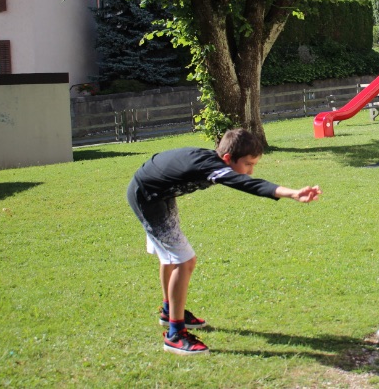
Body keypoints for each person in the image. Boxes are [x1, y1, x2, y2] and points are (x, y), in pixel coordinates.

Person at [126, 128, 321, 356]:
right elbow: (249, 184)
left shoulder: (213, 160)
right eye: (248, 164)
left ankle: (170, 311)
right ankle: (175, 335)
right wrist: (292, 193)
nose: (250, 170)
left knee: (172, 256)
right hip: (147, 197)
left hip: (158, 193)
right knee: (184, 261)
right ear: (228, 158)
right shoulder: (212, 167)